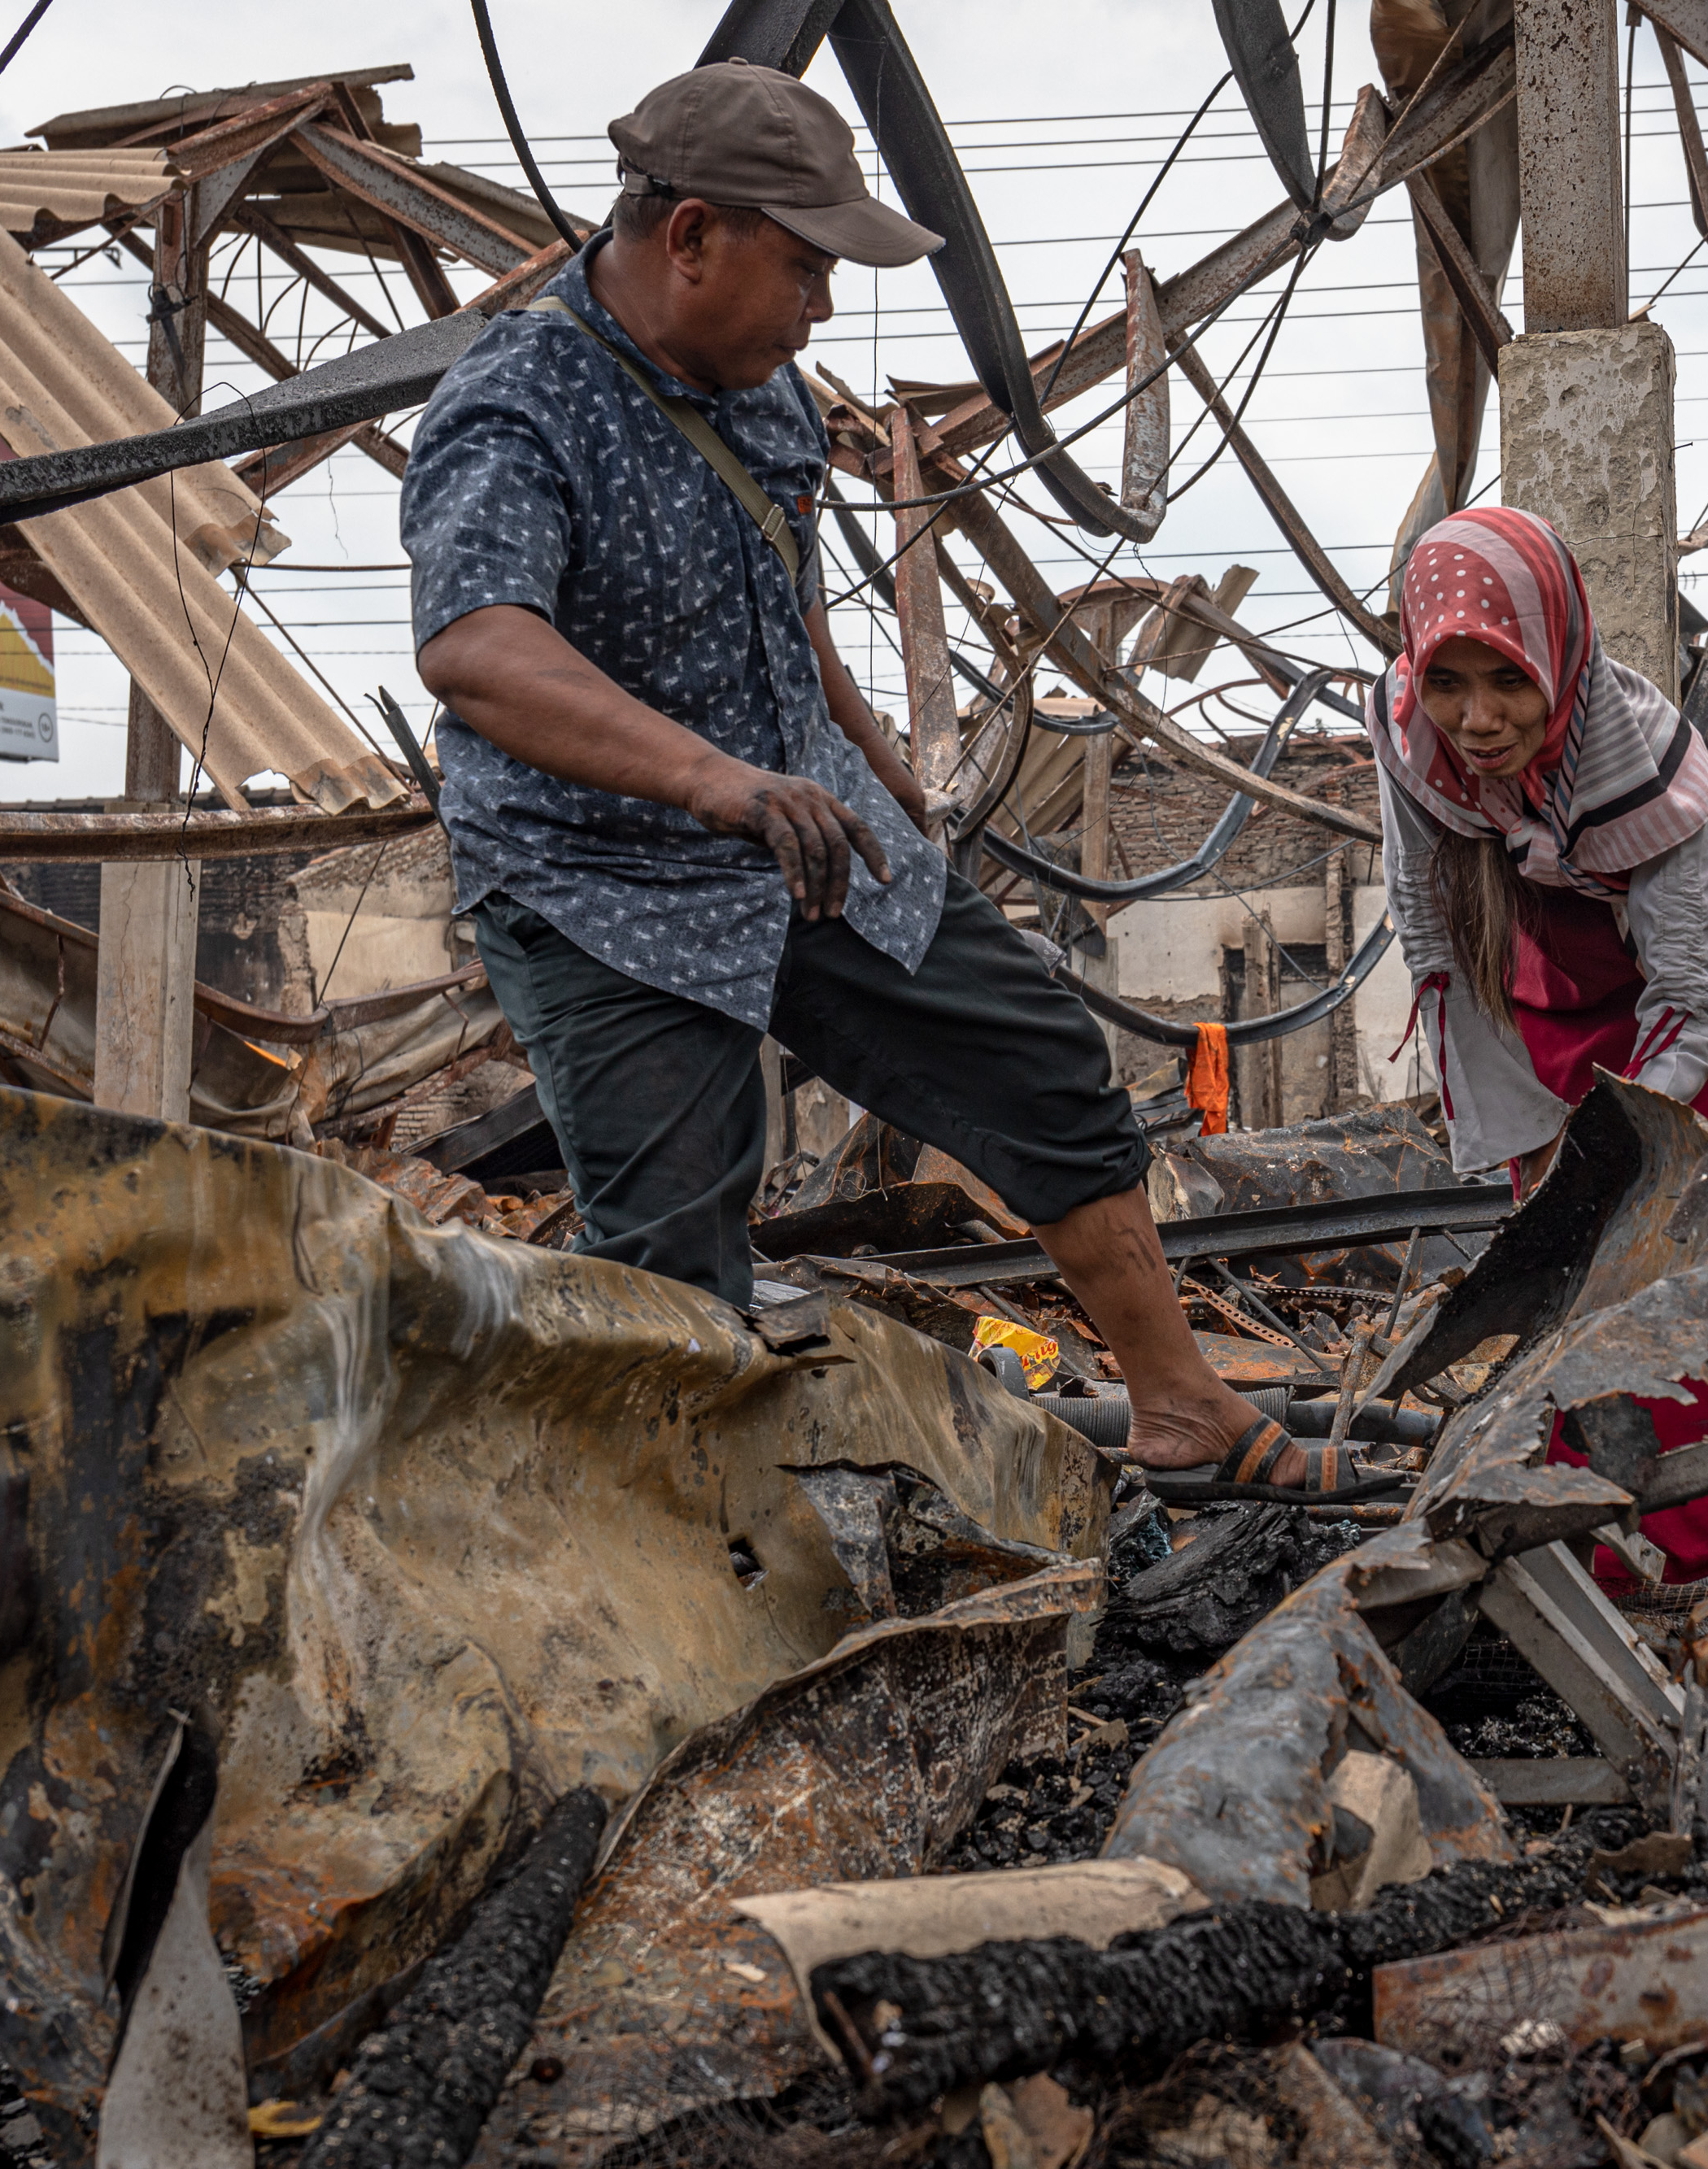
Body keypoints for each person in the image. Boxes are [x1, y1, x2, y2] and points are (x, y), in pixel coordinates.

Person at [403, 62, 1375, 1503]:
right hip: (602, 880)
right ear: (690, 239)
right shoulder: (515, 404)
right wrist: (717, 783)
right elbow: (478, 649)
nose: (824, 305)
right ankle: (674, 1568)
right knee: (673, 1252)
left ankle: (1178, 1404)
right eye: (803, 266)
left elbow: (787, 607)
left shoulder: (765, 388)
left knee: (1036, 1057)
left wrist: (881, 774)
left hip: (804, 832)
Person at [1370, 507, 1708, 1579]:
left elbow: (1686, 997)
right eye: (1448, 682)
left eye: (1507, 682)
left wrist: (1628, 1167)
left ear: (1558, 655)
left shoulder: (1638, 760)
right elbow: (1431, 927)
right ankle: (1597, 1511)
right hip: (1562, 938)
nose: (1479, 720)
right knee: (1563, 1229)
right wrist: (1536, 1157)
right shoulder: (1410, 734)